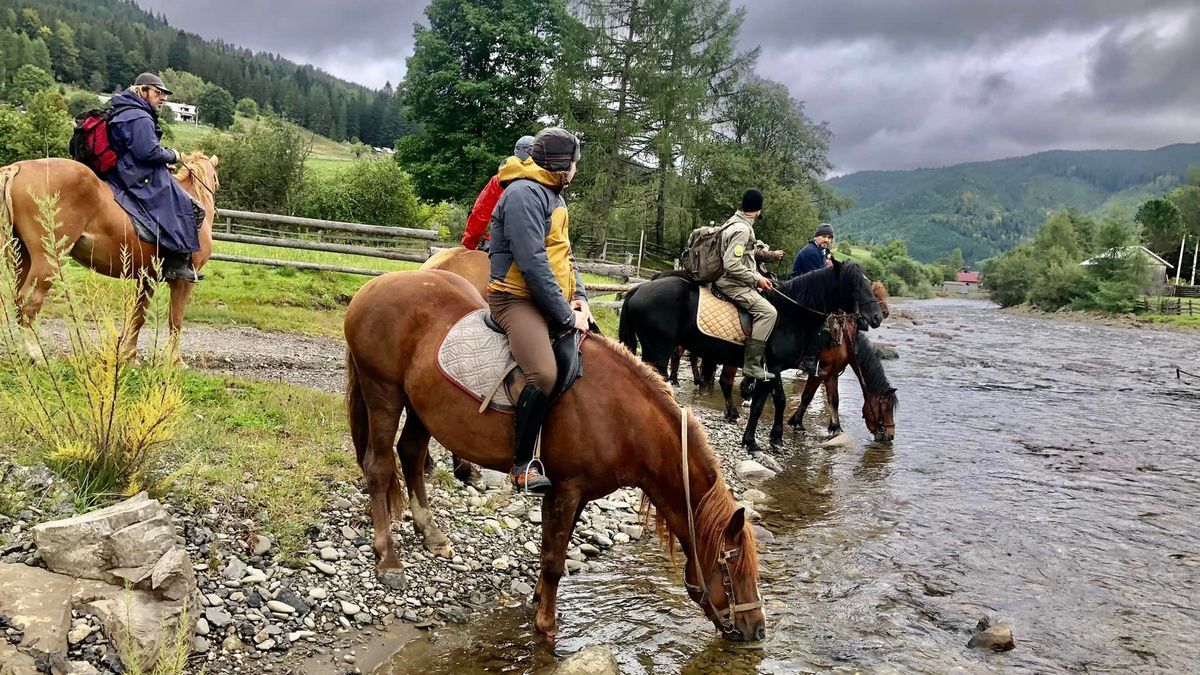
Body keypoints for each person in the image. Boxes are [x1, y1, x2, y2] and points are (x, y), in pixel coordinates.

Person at [487, 127, 590, 493]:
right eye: (575, 162)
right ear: (562, 165)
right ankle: (521, 465)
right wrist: (566, 316)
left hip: (547, 297)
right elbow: (532, 264)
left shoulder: (552, 195)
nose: (577, 168)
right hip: (515, 298)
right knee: (544, 374)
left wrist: (579, 296)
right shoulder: (523, 195)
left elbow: (564, 254)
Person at [105, 73, 204, 282]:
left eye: (164, 94)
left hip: (122, 168)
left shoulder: (123, 109)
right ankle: (176, 263)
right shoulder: (140, 116)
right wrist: (173, 155)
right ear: (142, 91)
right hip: (135, 174)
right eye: (158, 93)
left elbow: (136, 148)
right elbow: (148, 152)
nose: (163, 98)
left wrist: (161, 160)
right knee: (187, 204)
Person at [715, 189, 777, 381]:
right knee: (768, 312)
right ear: (758, 210)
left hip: (732, 279)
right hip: (732, 283)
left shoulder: (732, 221)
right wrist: (756, 279)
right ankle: (752, 365)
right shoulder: (742, 229)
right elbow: (732, 263)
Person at [462, 135, 537, 250]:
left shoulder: (499, 180)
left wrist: (470, 243)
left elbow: (481, 212)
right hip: (535, 244)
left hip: (499, 242)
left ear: (516, 153)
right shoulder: (546, 181)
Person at [791, 223, 837, 376]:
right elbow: (819, 280)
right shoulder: (811, 252)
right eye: (824, 236)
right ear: (816, 236)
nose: (827, 240)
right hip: (800, 293)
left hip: (809, 292)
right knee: (825, 323)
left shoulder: (822, 252)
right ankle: (809, 360)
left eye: (829, 237)